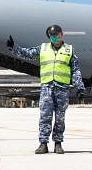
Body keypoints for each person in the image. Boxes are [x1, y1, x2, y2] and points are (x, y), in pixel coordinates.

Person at [7, 24, 86, 154]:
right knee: (45, 116)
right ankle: (43, 144)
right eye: (52, 36)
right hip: (47, 88)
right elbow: (28, 54)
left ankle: (58, 144)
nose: (55, 37)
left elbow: (75, 70)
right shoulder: (43, 48)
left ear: (62, 34)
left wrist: (79, 87)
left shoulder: (69, 50)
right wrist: (14, 48)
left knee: (60, 118)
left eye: (57, 35)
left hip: (62, 88)